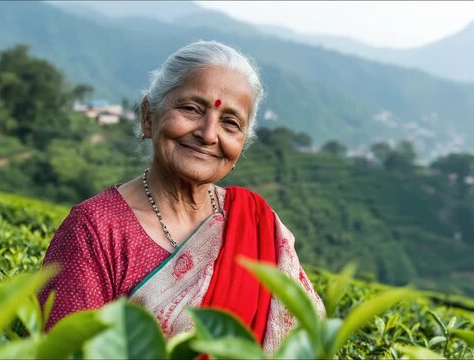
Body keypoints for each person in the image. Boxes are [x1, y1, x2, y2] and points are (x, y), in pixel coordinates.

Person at [39, 40, 323, 352]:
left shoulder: (258, 225)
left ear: (242, 144)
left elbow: (304, 344)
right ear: (149, 116)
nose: (208, 133)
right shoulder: (95, 229)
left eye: (230, 123)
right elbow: (64, 353)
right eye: (191, 109)